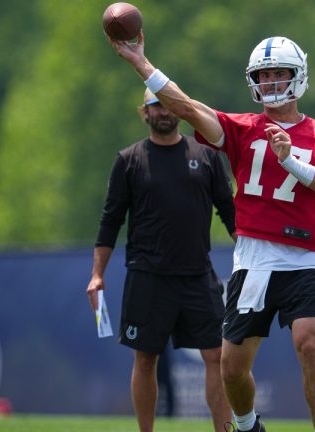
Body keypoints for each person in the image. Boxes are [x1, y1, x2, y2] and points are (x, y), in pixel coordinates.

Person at [106, 33, 315, 432]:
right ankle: (246, 426)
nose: (271, 83)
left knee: (310, 343)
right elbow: (186, 107)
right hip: (254, 259)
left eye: (280, 74)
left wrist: (290, 160)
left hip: (306, 255)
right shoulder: (243, 129)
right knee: (231, 369)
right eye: (264, 75)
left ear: (299, 77)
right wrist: (141, 63)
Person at [86, 88, 236, 432]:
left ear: (180, 112)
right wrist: (97, 274)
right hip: (147, 275)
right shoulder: (129, 160)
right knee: (146, 357)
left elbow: (230, 213)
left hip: (198, 274)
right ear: (145, 112)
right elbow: (111, 220)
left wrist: (254, 254)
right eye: (156, 106)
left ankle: (223, 429)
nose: (164, 112)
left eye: (169, 105)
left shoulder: (208, 157)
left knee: (217, 356)